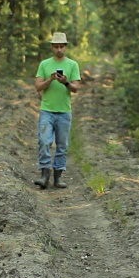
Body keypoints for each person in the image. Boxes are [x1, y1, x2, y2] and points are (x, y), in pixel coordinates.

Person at [33, 32, 81, 189]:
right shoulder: (44, 64)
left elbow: (76, 88)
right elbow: (38, 87)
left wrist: (65, 82)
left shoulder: (73, 65)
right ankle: (44, 174)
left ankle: (58, 176)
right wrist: (51, 79)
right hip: (47, 109)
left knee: (62, 145)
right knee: (44, 141)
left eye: (61, 46)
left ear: (65, 47)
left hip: (64, 111)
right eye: (56, 46)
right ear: (52, 47)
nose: (59, 49)